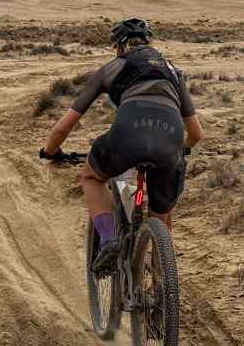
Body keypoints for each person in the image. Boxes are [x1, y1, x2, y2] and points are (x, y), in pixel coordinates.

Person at [39, 18, 204, 275]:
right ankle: (160, 285)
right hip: (170, 139)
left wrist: (50, 151)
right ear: (149, 42)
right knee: (162, 212)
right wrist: (180, 149)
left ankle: (108, 240)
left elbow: (64, 127)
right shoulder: (172, 71)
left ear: (119, 46)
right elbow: (196, 133)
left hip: (127, 134)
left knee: (91, 177)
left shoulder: (111, 68)